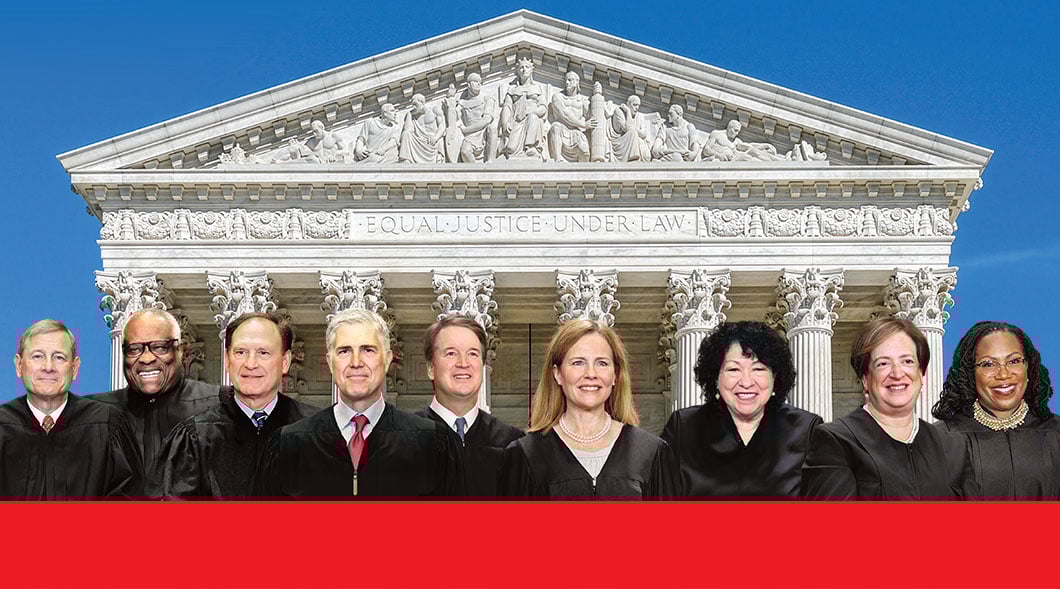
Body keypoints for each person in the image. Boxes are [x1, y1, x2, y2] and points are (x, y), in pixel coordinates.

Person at [256, 309, 463, 498]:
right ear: (330, 361)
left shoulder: (434, 443)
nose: (356, 362)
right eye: (344, 351)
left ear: (388, 359)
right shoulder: (287, 445)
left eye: (368, 350)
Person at [498, 319, 680, 499]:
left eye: (602, 363)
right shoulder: (525, 455)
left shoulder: (652, 453)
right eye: (578, 362)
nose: (591, 374)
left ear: (615, 374)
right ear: (557, 374)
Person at [801, 318, 976, 499]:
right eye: (882, 363)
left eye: (907, 361)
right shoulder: (836, 440)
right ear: (865, 379)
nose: (897, 373)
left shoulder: (953, 446)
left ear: (921, 373)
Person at [146, 312, 316, 499]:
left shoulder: (317, 433)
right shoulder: (193, 438)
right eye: (240, 352)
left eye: (263, 352)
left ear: (285, 362)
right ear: (227, 361)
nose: (251, 364)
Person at [661, 321, 822, 498]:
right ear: (716, 377)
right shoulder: (683, 427)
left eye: (758, 369)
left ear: (775, 376)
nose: (746, 382)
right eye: (733, 369)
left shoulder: (807, 430)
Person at [0, 320, 142, 499]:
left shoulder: (108, 424)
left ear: (74, 368)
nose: (48, 367)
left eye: (59, 357)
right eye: (37, 356)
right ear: (19, 365)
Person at [933, 321, 1059, 499]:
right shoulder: (942, 440)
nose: (1004, 374)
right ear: (970, 374)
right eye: (988, 364)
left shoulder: (1055, 432)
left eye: (1014, 361)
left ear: (1028, 368)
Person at [89, 309, 220, 471]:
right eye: (134, 349)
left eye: (160, 347)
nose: (146, 358)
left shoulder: (217, 404)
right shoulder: (95, 416)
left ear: (181, 351)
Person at [415, 316, 524, 498]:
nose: (463, 363)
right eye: (451, 353)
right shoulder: (400, 440)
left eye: (472, 354)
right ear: (431, 369)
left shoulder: (512, 443)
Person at [498, 57, 548, 160]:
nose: (524, 69)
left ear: (531, 70)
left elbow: (543, 107)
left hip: (532, 121)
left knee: (533, 117)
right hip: (516, 121)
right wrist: (505, 123)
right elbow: (507, 107)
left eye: (527, 67)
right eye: (521, 67)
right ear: (517, 71)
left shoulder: (537, 89)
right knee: (511, 148)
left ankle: (531, 147)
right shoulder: (512, 90)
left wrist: (531, 111)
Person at [446, 73, 498, 163]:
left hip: (483, 133)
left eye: (480, 82)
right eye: (475, 81)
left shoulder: (487, 99)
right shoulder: (462, 103)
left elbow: (487, 120)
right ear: (469, 84)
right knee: (465, 151)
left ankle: (490, 161)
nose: (478, 84)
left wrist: (465, 129)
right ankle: (478, 172)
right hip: (470, 137)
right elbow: (453, 116)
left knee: (492, 128)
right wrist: (451, 97)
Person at [548, 71, 594, 162]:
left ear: (577, 82)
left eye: (570, 80)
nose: (566, 82)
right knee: (556, 126)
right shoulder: (557, 97)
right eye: (566, 80)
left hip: (577, 132)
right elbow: (564, 114)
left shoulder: (582, 101)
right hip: (562, 130)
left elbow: (592, 117)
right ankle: (557, 160)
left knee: (585, 154)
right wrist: (584, 124)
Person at [398, 93, 445, 163]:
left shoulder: (434, 110)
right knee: (406, 133)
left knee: (439, 139)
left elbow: (442, 126)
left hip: (432, 140)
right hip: (418, 141)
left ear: (422, 102)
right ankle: (406, 160)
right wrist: (409, 115)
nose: (413, 107)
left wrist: (436, 137)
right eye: (412, 105)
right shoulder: (413, 116)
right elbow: (408, 130)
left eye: (415, 104)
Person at [607, 94, 651, 162]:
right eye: (635, 105)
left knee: (645, 150)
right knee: (633, 133)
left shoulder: (639, 116)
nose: (637, 108)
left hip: (634, 143)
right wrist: (628, 112)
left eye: (638, 105)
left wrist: (633, 129)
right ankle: (633, 157)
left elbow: (644, 134)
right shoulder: (619, 111)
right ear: (628, 104)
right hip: (619, 143)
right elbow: (627, 129)